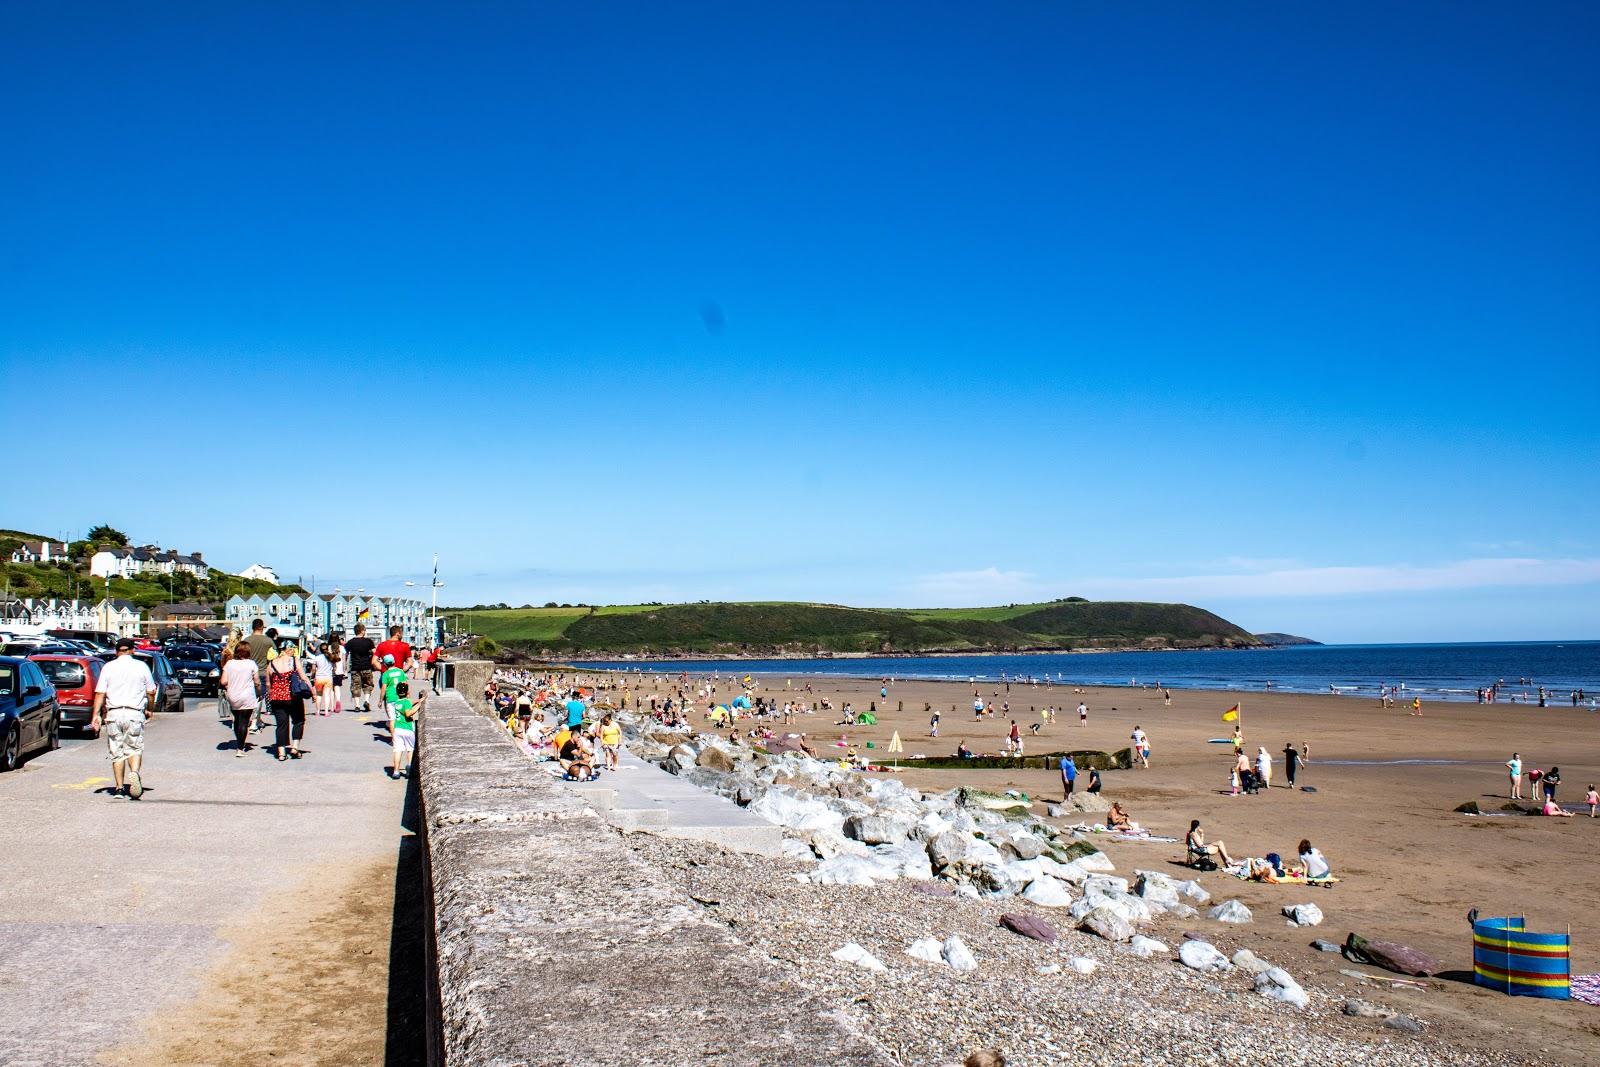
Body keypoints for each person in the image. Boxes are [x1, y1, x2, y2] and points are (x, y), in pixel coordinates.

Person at [90, 636, 157, 799]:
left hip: (114, 713)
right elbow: (151, 692)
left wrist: (96, 715)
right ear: (133, 650)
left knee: (117, 751)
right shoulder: (141, 667)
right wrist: (150, 709)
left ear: (116, 651)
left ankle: (119, 789)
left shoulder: (108, 667)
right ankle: (134, 772)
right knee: (134, 748)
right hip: (134, 713)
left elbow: (100, 693)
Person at [265, 643, 313, 760]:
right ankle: (294, 748)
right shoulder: (294, 661)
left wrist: (270, 695)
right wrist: (313, 692)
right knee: (298, 721)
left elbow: (268, 684)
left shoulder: (271, 664)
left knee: (281, 725)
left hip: (277, 698)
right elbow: (304, 677)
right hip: (293, 697)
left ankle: (281, 753)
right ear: (289, 650)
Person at [221, 643, 260, 756]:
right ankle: (240, 748)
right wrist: (259, 691)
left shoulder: (230, 664)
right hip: (247, 695)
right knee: (244, 721)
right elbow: (257, 681)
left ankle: (239, 740)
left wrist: (231, 685)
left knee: (237, 720)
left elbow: (223, 681)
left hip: (233, 695)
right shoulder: (251, 664)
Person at [389, 687, 425, 779]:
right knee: (410, 749)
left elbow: (410, 702)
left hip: (397, 729)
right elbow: (408, 713)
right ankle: (409, 767)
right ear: (407, 692)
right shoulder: (406, 702)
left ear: (397, 693)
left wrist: (418, 700)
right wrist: (419, 705)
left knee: (397, 750)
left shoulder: (397, 703)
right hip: (407, 729)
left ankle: (396, 771)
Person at [345, 623, 377, 713]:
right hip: (366, 667)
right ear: (362, 631)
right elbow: (375, 652)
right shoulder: (368, 641)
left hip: (355, 667)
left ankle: (357, 705)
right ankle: (366, 701)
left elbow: (345, 654)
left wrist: (345, 666)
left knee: (355, 686)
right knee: (368, 684)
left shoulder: (350, 642)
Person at [378, 654, 409, 735]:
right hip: (401, 697)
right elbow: (405, 684)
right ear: (394, 662)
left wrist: (381, 700)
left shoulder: (386, 674)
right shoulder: (401, 671)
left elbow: (383, 688)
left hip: (390, 698)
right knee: (401, 718)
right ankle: (402, 735)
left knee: (392, 719)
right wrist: (408, 696)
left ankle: (394, 739)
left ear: (384, 664)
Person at [310, 641, 339, 716]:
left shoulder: (316, 658)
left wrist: (312, 675)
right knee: (327, 695)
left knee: (319, 695)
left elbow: (313, 669)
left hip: (319, 677)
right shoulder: (331, 657)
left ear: (320, 649)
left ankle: (317, 711)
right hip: (328, 678)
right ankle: (326, 712)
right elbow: (335, 668)